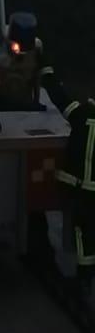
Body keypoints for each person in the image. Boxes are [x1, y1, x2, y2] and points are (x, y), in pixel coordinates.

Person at [32, 16, 95, 294]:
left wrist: (43, 64)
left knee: (83, 234)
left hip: (81, 190)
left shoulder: (82, 116)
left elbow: (58, 95)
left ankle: (84, 278)